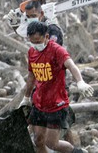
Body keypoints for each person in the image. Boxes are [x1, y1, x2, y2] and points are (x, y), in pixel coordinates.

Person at [20, 21, 93, 153]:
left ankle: (78, 152)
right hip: (39, 102)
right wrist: (26, 97)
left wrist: (80, 82)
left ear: (46, 36)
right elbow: (31, 76)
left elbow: (71, 65)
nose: (35, 45)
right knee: (38, 140)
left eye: (38, 41)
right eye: (32, 41)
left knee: (52, 143)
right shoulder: (32, 52)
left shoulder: (57, 50)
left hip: (56, 104)